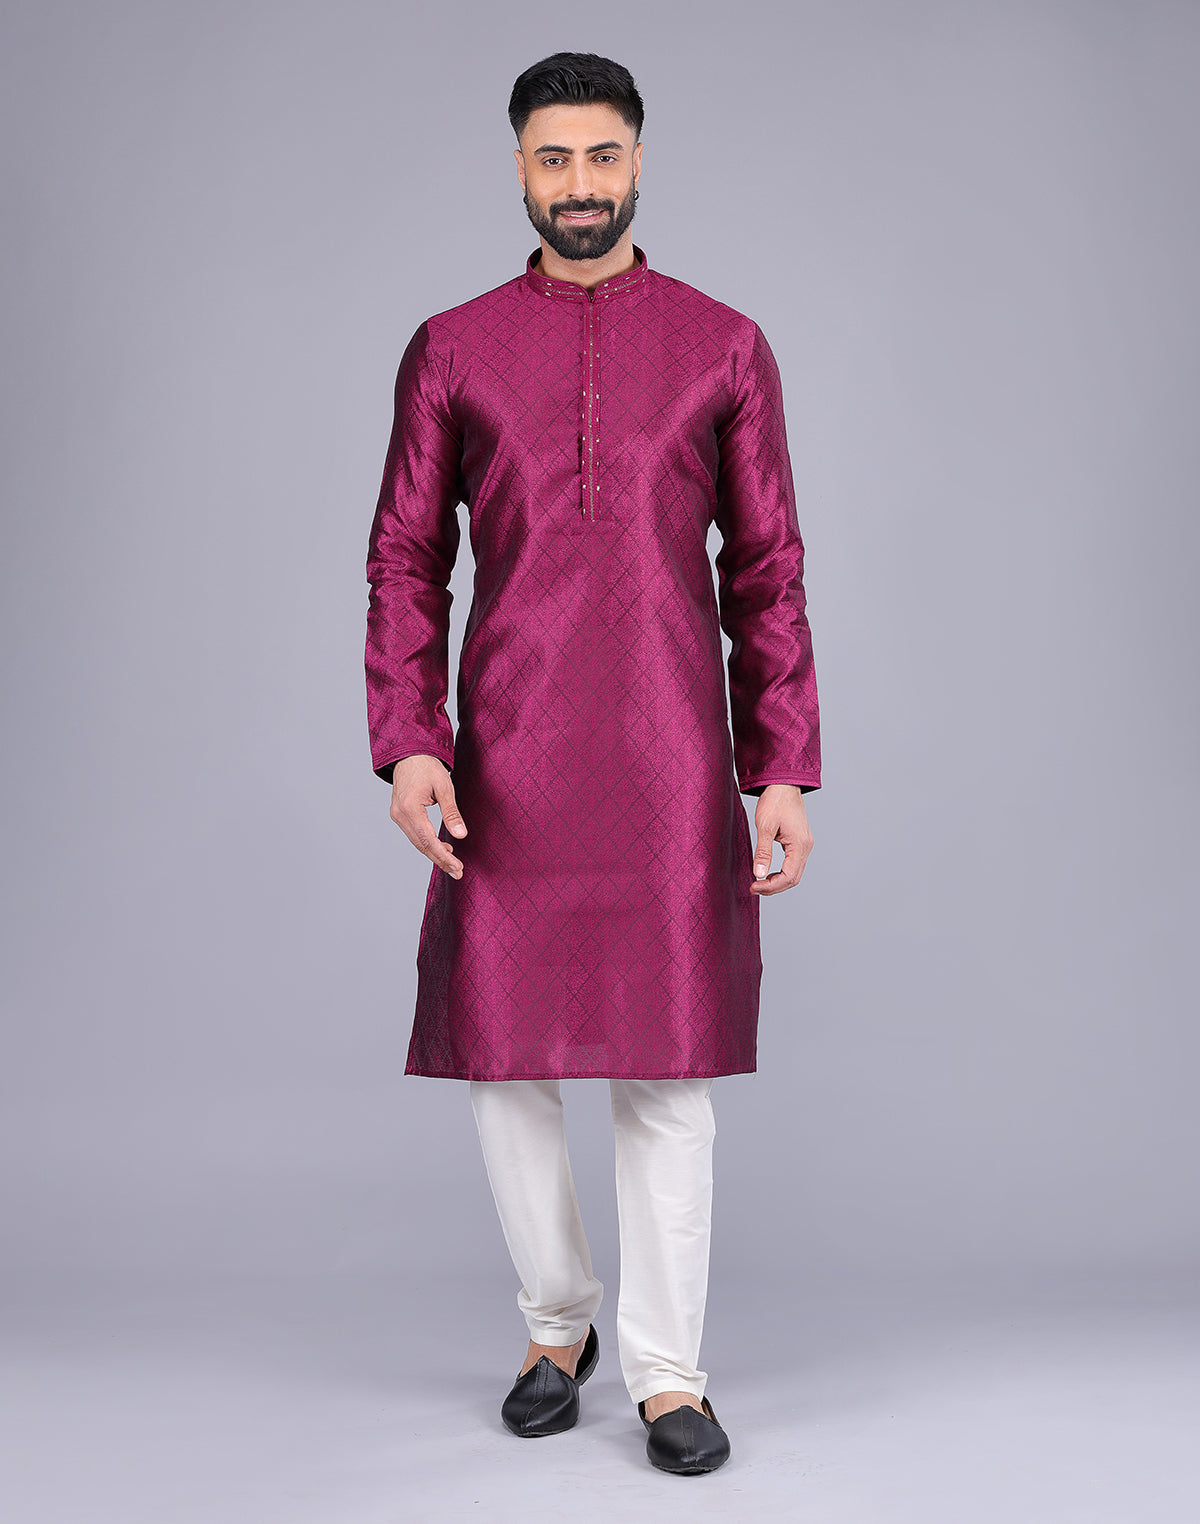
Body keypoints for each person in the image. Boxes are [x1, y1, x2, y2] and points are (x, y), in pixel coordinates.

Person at [364, 51, 820, 1476]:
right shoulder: (451, 348)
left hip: (672, 754)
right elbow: (405, 560)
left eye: (602, 157)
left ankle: (669, 1373)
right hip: (505, 752)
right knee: (507, 1065)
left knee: (666, 1072)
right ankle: (555, 1329)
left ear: (638, 162)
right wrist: (410, 741)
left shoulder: (724, 345)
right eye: (553, 159)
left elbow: (767, 570)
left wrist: (780, 767)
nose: (580, 185)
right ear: (518, 167)